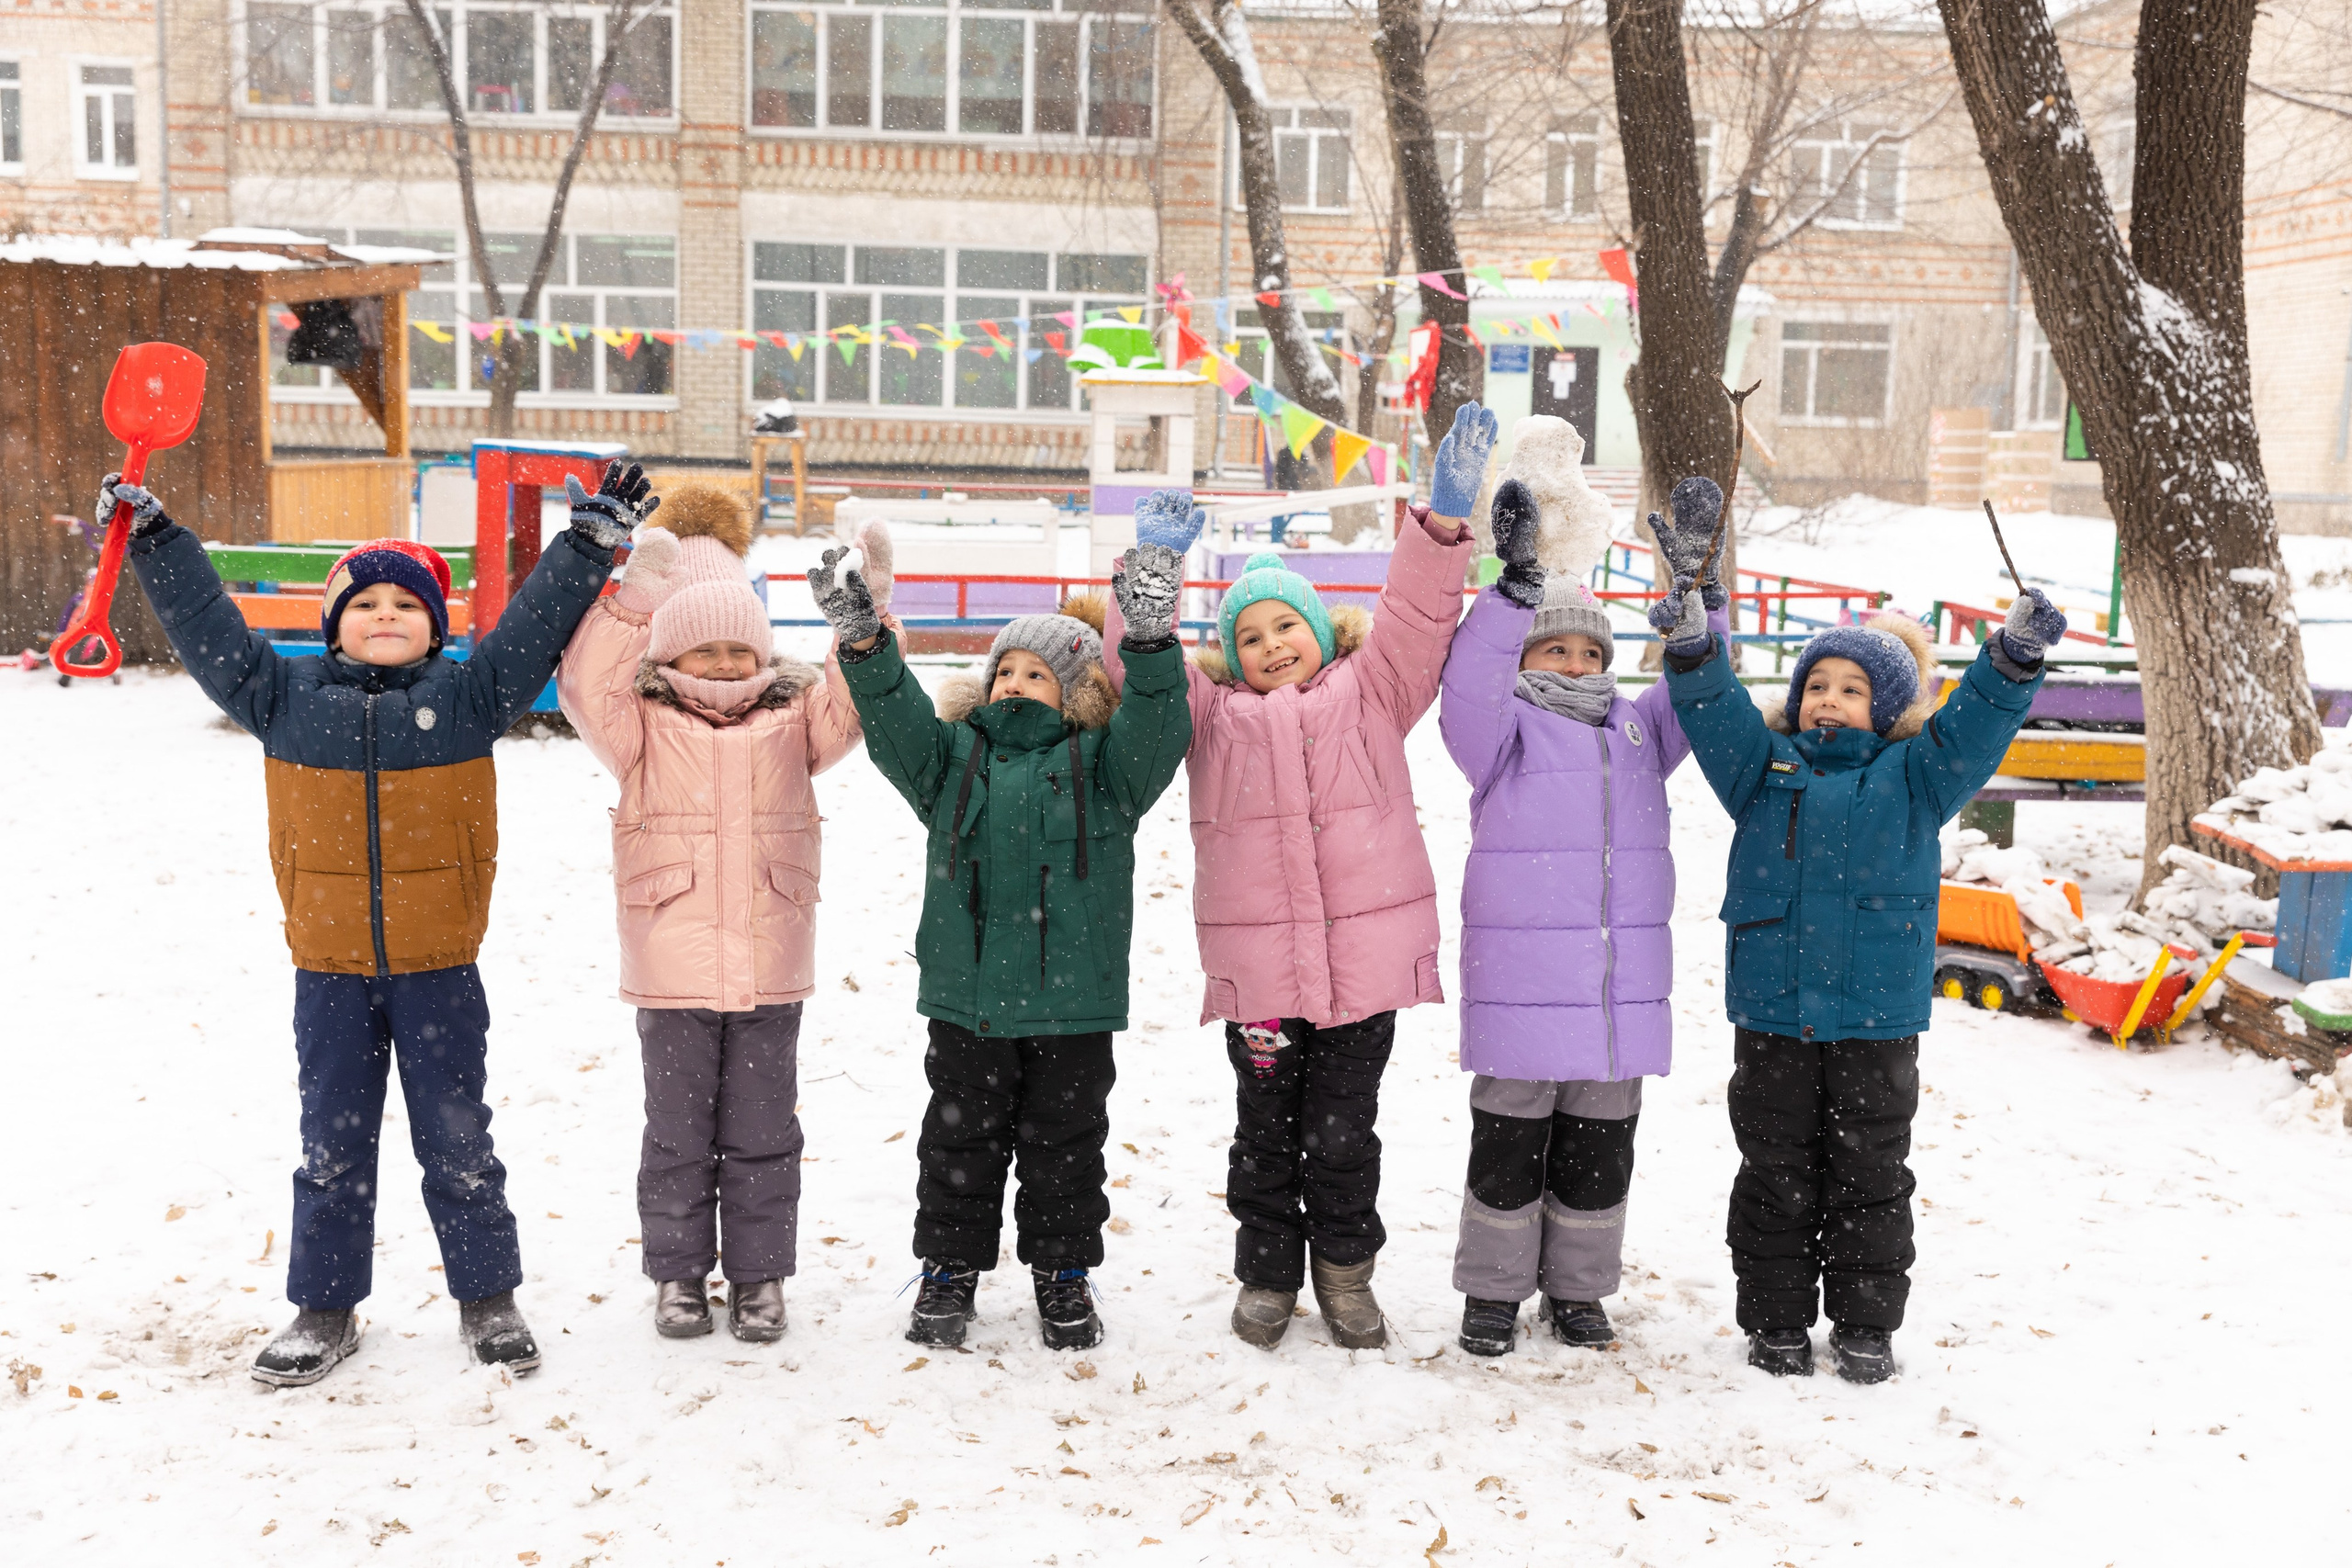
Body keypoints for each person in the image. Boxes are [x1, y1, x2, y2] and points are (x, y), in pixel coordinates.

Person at [107, 462, 654, 1386]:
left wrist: (589, 545)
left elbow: (529, 629)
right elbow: (207, 628)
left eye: (409, 603)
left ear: (436, 627)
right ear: (335, 624)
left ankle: (487, 1297)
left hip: (440, 965)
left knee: (459, 1139)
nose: (387, 614)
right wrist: (159, 541)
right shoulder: (280, 702)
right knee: (331, 1143)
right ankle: (324, 1309)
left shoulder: (471, 703)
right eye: (366, 604)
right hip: (327, 967)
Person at [1102, 404, 1492, 1352]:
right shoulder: (1210, 716)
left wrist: (1438, 524)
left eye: (1289, 625)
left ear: (1323, 630)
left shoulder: (1373, 692)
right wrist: (1147, 580)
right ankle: (1270, 1274)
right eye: (1253, 636)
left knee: (1345, 1130)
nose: (1274, 644)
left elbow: (1415, 616)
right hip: (1262, 978)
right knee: (1266, 1134)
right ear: (1229, 655)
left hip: (1364, 968)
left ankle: (1347, 1273)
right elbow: (1137, 669)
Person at [1656, 527, 2064, 1383]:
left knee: (1871, 1172)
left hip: (1876, 1016)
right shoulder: (1761, 767)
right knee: (1774, 1167)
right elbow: (1714, 709)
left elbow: (1973, 729)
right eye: (1816, 684)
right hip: (1774, 1010)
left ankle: (1865, 1324)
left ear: (1888, 708)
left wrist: (2011, 660)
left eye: (1851, 688)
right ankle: (1774, 1321)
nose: (1828, 699)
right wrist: (1694, 647)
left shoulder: (1919, 774)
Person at [808, 534, 1190, 1351]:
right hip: (970, 1002)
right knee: (959, 1140)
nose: (1014, 683)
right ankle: (949, 1267)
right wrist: (864, 643)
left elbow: (1161, 727)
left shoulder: (1106, 769)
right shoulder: (951, 758)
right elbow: (895, 718)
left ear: (1078, 692)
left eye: (1036, 672)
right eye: (1005, 670)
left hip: (1072, 1007)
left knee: (1066, 1146)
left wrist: (1151, 638)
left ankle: (1063, 1273)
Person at [558, 488, 870, 1344]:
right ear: (668, 652)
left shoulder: (796, 718)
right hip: (673, 971)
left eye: (742, 645)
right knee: (677, 1137)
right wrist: (632, 601)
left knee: (766, 1132)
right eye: (705, 646)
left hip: (770, 965)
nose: (728, 662)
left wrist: (866, 622)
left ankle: (761, 1276)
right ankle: (680, 1276)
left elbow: (860, 700)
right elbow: (585, 683)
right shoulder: (640, 728)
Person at [1439, 475, 1731, 1358]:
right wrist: (1510, 596)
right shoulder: (1499, 740)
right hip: (1526, 999)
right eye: (1552, 649)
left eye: (1589, 653)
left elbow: (1702, 695)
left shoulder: (1640, 732)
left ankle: (1578, 1291)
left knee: (1598, 1161)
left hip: (1614, 1005)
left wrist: (1702, 603)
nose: (1574, 665)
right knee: (1507, 1157)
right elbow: (1464, 691)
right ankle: (1492, 1294)